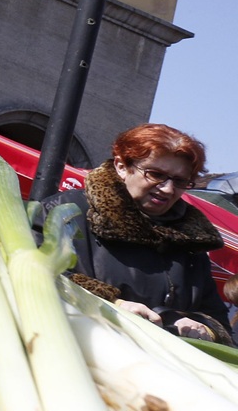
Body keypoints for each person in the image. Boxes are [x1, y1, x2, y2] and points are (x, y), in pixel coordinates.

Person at [32, 123, 233, 344]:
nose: (167, 188)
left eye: (180, 181)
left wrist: (200, 326)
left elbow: (219, 321)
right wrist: (114, 305)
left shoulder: (193, 243)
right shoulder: (66, 211)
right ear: (121, 166)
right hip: (75, 349)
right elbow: (33, 275)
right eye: (155, 174)